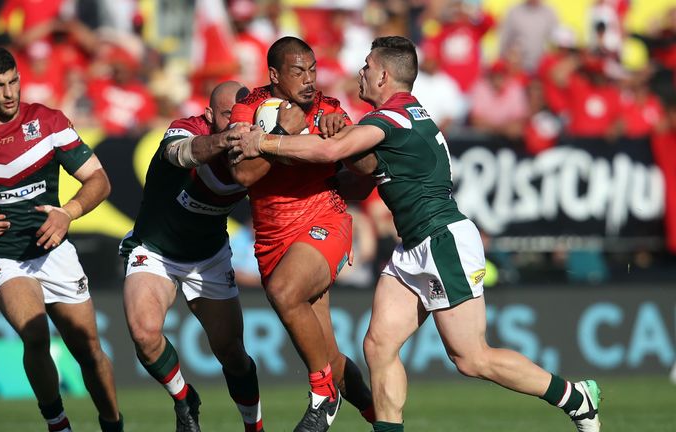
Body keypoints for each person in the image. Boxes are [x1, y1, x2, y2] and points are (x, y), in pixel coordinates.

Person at [229, 36, 602, 432]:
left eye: (368, 67)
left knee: (471, 358)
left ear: (384, 75)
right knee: (378, 346)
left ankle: (575, 397)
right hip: (413, 247)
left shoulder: (391, 118)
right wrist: (334, 131)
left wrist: (265, 140)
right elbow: (357, 166)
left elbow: (327, 155)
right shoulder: (402, 116)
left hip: (442, 239)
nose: (361, 72)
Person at [0, 47, 124, 432]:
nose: (9, 93)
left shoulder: (49, 122)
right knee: (35, 334)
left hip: (54, 251)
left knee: (88, 349)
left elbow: (99, 180)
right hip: (5, 256)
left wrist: (67, 213)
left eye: (14, 82)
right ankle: (58, 425)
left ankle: (113, 424)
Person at [228, 36, 375, 432]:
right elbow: (242, 174)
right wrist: (279, 132)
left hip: (325, 221)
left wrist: (346, 137)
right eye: (298, 72)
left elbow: (367, 170)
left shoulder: (329, 109)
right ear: (275, 75)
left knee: (284, 292)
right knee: (332, 358)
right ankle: (381, 418)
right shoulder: (248, 108)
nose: (310, 80)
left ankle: (322, 396)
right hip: (273, 240)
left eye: (312, 70)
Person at [119, 80, 264, 432]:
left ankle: (254, 427)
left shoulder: (258, 149)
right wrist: (222, 141)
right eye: (229, 115)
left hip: (208, 256)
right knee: (144, 334)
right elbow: (179, 153)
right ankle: (184, 398)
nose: (237, 123)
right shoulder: (186, 128)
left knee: (233, 355)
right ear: (209, 114)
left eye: (244, 116)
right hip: (155, 250)